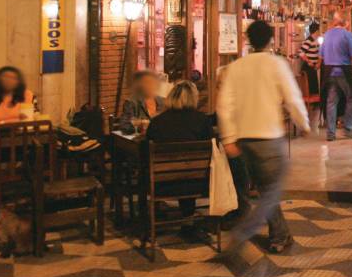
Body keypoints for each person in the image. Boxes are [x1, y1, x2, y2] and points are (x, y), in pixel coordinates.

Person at [218, 20, 310, 254]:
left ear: (248, 39)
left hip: (244, 141)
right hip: (270, 138)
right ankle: (243, 232)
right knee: (271, 191)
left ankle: (280, 235)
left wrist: (229, 138)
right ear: (270, 40)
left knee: (265, 187)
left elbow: (224, 105)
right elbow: (293, 97)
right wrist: (304, 123)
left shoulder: (236, 67)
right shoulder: (276, 64)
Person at [147, 80, 215, 218]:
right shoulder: (202, 121)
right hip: (198, 183)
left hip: (162, 184)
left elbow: (145, 154)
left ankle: (150, 220)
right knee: (189, 167)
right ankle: (188, 216)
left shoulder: (157, 122)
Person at [320, 12, 352, 141]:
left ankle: (331, 133)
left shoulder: (326, 35)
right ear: (346, 23)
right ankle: (348, 128)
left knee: (331, 102)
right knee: (351, 97)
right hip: (343, 71)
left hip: (329, 72)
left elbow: (320, 57)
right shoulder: (348, 35)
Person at [118, 70, 165, 134]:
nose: (150, 86)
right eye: (147, 83)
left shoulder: (161, 100)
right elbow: (124, 126)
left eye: (152, 82)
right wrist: (140, 126)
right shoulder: (131, 102)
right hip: (139, 140)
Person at [298, 19, 321, 97]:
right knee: (311, 86)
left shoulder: (315, 40)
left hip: (313, 67)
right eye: (319, 31)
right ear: (316, 31)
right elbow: (301, 52)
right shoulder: (309, 40)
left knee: (314, 85)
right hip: (308, 67)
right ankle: (312, 103)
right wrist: (309, 61)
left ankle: (314, 102)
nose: (319, 33)